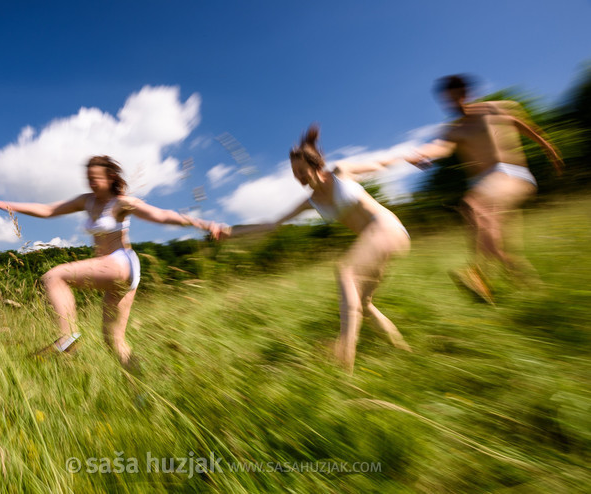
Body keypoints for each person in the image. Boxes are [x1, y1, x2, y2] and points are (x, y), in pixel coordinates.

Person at [0, 155, 224, 364]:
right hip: (118, 271)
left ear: (110, 178)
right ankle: (141, 394)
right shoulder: (87, 201)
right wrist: (9, 205)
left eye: (97, 178)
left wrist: (204, 224)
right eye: (89, 179)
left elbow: (161, 216)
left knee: (54, 276)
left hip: (121, 262)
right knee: (113, 340)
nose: (92, 183)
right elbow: (49, 210)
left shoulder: (122, 202)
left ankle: (68, 336)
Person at [228, 125, 411, 375]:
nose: (297, 177)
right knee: (365, 304)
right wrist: (229, 232)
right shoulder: (311, 201)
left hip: (388, 228)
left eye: (299, 170)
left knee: (345, 270)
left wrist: (411, 157)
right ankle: (405, 353)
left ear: (315, 164)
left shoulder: (341, 172)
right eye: (293, 173)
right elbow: (272, 224)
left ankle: (345, 355)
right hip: (376, 243)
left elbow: (379, 164)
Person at [384, 74, 564, 302]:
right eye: (448, 100)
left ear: (466, 93)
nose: (454, 104)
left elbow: (520, 124)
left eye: (457, 97)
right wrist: (422, 154)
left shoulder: (493, 109)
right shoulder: (455, 130)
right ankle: (528, 289)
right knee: (496, 244)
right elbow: (441, 148)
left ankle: (479, 274)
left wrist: (547, 147)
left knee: (472, 204)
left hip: (511, 173)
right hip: (485, 184)